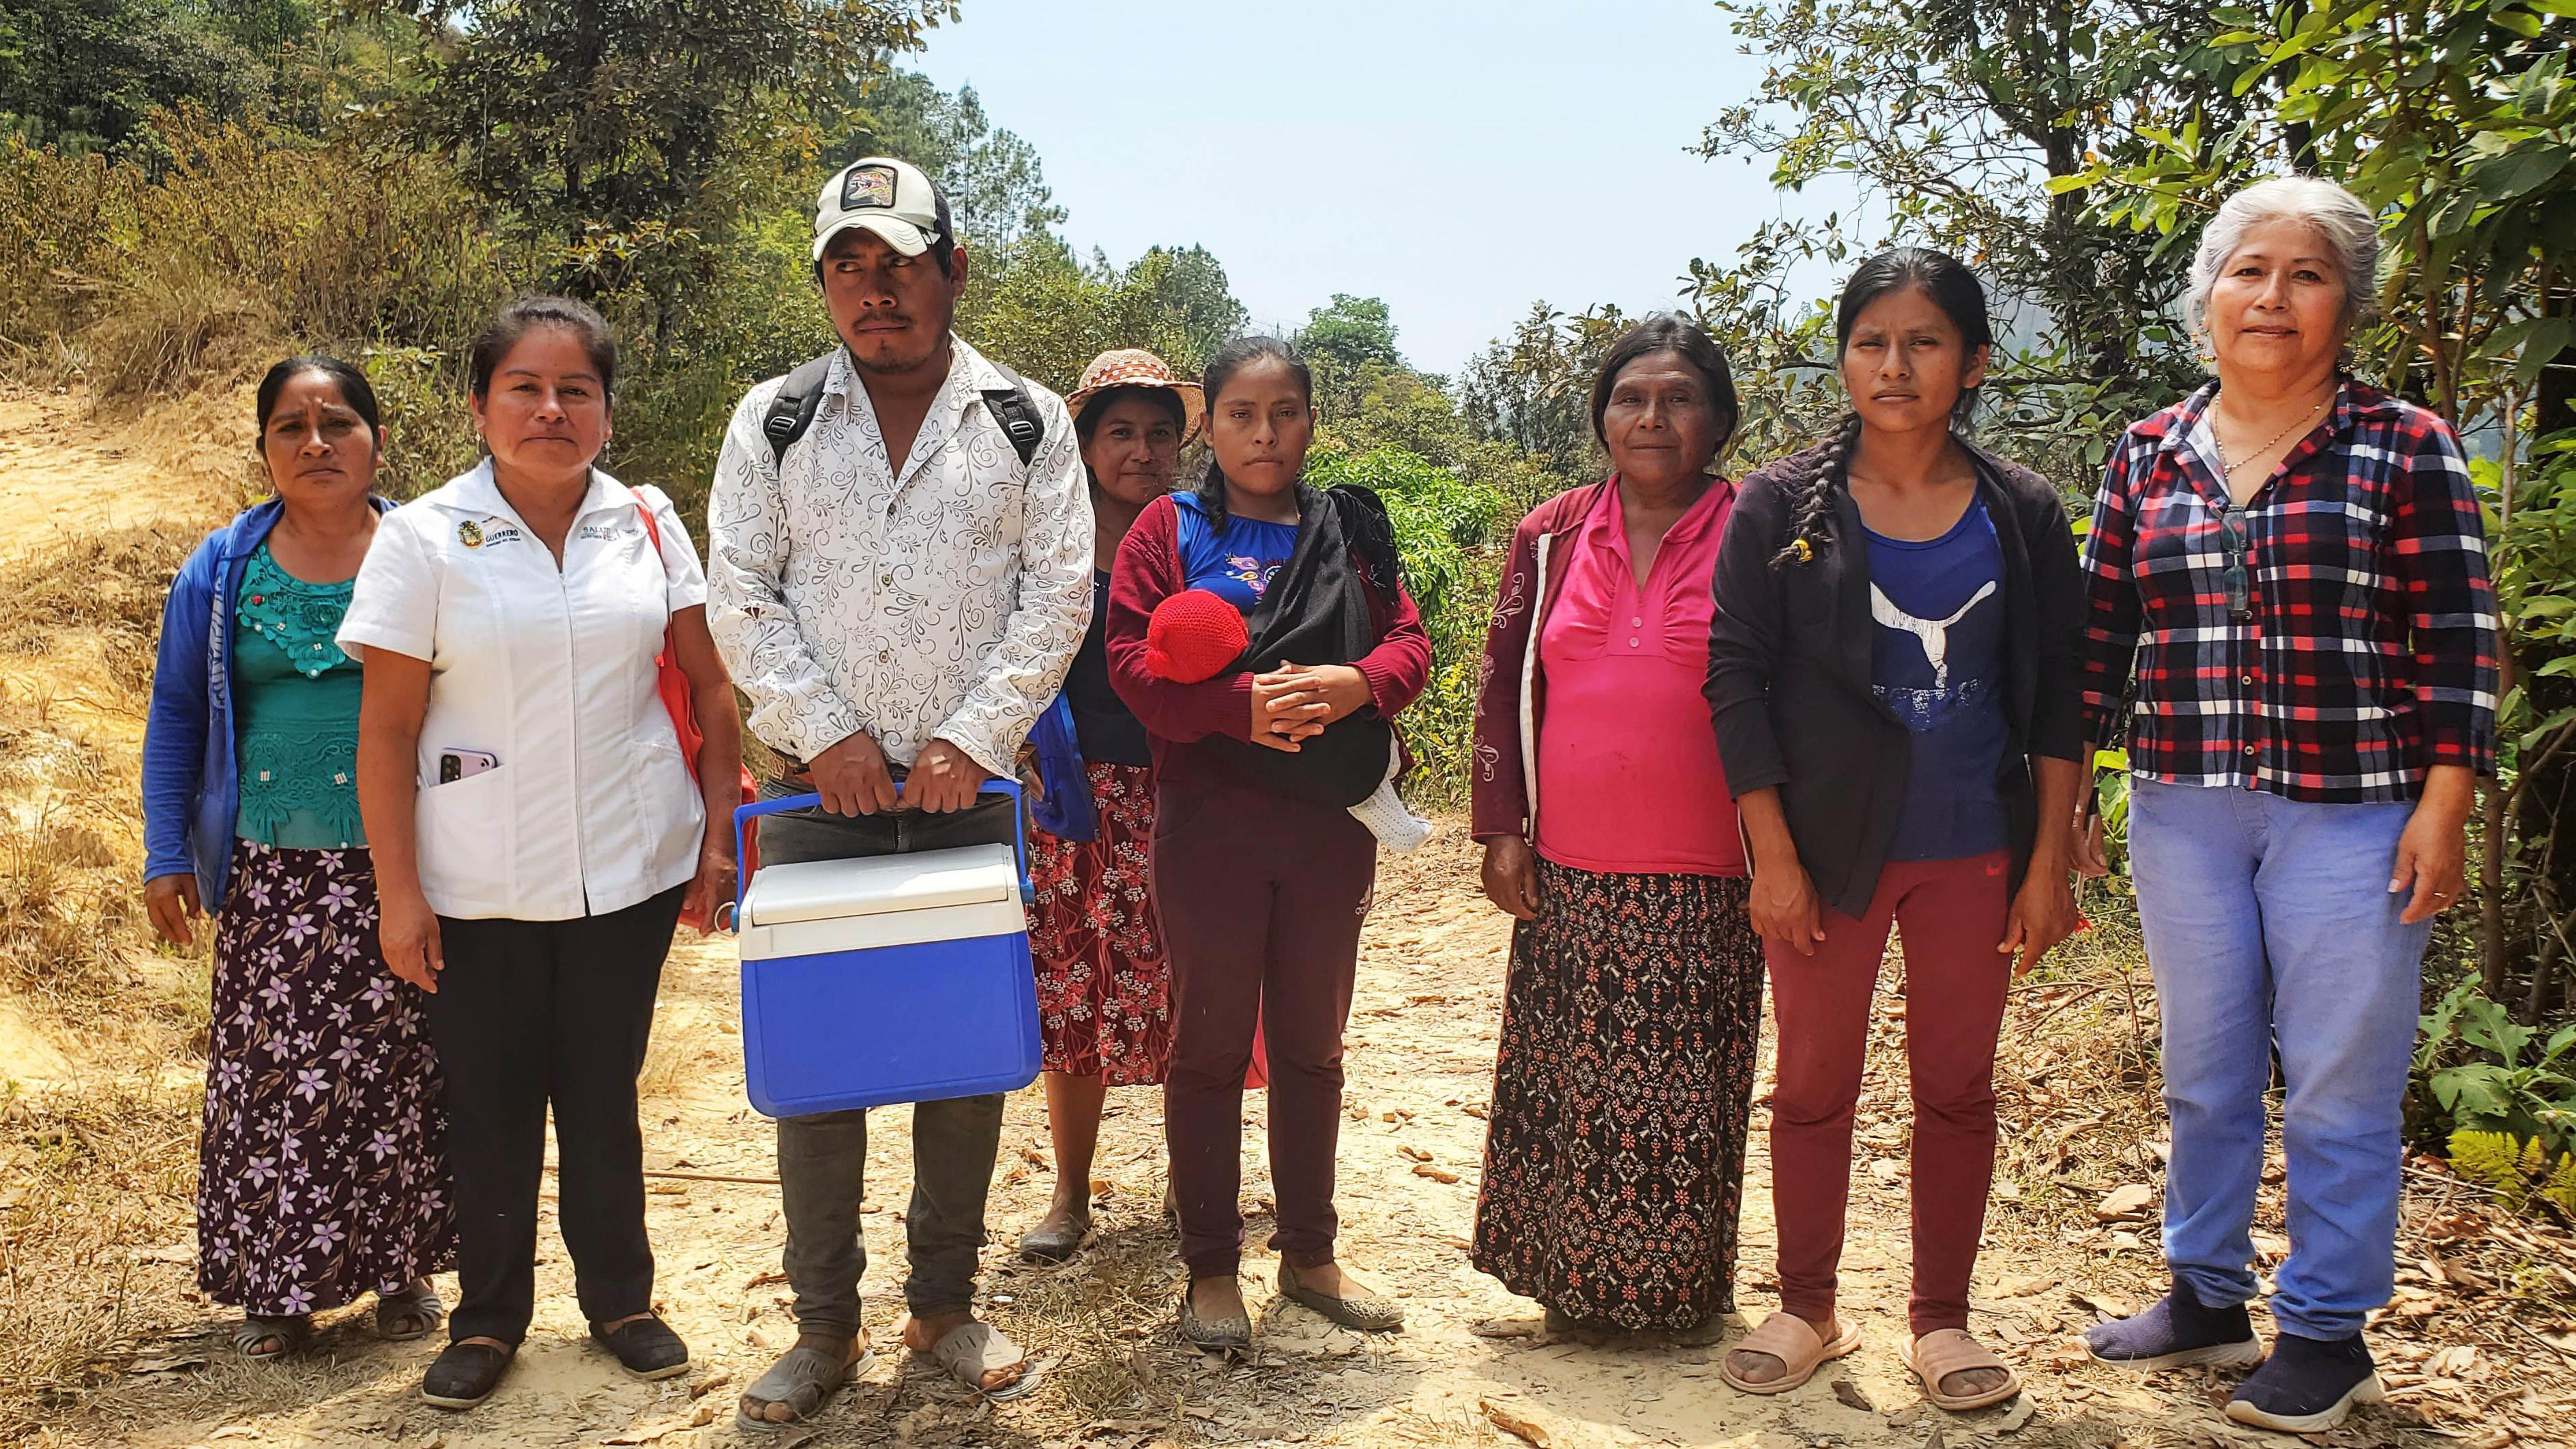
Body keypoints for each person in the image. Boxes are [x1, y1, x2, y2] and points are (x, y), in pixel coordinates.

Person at [2075, 177, 2498, 1435]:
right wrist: (2068, 796)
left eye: (2306, 276)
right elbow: (2102, 639)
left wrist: (2447, 804)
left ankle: (2326, 1329)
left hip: (2356, 811)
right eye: (2249, 272)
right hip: (2183, 807)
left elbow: (2461, 638)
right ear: (2208, 293)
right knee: (2206, 1070)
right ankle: (2205, 1297)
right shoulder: (2149, 452)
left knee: (2335, 1079)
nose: (2273, 298)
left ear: (2345, 303)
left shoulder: (2403, 444)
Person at [705, 156, 1091, 1425]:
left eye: (901, 263)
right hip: (815, 802)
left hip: (966, 799)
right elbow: (741, 595)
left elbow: (1058, 600)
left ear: (953, 271)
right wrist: (823, 735)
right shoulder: (771, 420)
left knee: (958, 1056)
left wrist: (974, 740)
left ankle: (944, 1304)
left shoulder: (1028, 421)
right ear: (825, 286)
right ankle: (823, 1330)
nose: (877, 292)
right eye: (849, 267)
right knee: (819, 1065)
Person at [342, 297, 740, 1409]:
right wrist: (399, 893)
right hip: (478, 876)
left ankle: (622, 1300)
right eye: (525, 386)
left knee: (604, 1092)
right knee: (492, 1101)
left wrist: (715, 833)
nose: (551, 409)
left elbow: (709, 687)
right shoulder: (423, 537)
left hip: (631, 863)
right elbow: (383, 733)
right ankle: (489, 1320)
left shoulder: (649, 524)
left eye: (577, 389)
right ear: (481, 405)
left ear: (608, 409)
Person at [1705, 249, 2085, 1411]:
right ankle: (1808, 1304)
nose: (1895, 364)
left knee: (1957, 1088)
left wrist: (2050, 860)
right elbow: (1735, 677)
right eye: (1871, 341)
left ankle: (1942, 1322)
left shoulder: (2021, 512)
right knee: (1814, 1083)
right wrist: (1772, 853)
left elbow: (2063, 693)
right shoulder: (1779, 506)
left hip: (1975, 846)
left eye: (1923, 343)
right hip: (1828, 856)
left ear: (1972, 364)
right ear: (1844, 358)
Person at [1104, 336, 1432, 1351]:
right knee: (1205, 1046)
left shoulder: (1350, 529)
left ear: (1310, 422)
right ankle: (1211, 1268)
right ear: (1212, 423)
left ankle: (1311, 1255)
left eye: (1284, 413)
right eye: (1242, 414)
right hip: (1210, 822)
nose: (1264, 433)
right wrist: (1239, 707)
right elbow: (1127, 662)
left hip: (1329, 825)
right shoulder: (1172, 526)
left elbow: (1410, 641)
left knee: (1311, 1046)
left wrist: (1359, 684)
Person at [142, 357, 453, 1362]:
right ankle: (278, 1290)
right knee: (275, 1081)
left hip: (406, 862)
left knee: (405, 1071)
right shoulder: (223, 567)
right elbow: (180, 711)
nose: (314, 443)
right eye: (289, 427)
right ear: (264, 448)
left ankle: (404, 1272)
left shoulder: (426, 551)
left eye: (337, 423)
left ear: (377, 441)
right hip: (274, 872)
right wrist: (165, 850)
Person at [1465, 316, 1761, 1341]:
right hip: (1569, 865)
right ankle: (1566, 1286)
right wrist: (1503, 826)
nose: (1652, 417)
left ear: (1718, 420)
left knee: (1685, 1095)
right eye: (1631, 397)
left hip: (1715, 870)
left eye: (1678, 398)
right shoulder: (1550, 533)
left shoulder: (1760, 527)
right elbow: (1505, 683)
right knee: (1571, 1085)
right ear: (1600, 416)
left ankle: (1675, 1298)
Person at [1015, 348, 1201, 1264]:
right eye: (1120, 432)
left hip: (1186, 797)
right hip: (1075, 800)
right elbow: (1011, 663)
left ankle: (1190, 1186)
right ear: (1085, 444)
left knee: (1189, 991)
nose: (1142, 450)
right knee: (1072, 993)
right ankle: (1070, 1195)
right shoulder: (1048, 545)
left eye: (1161, 433)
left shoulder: (1203, 536)